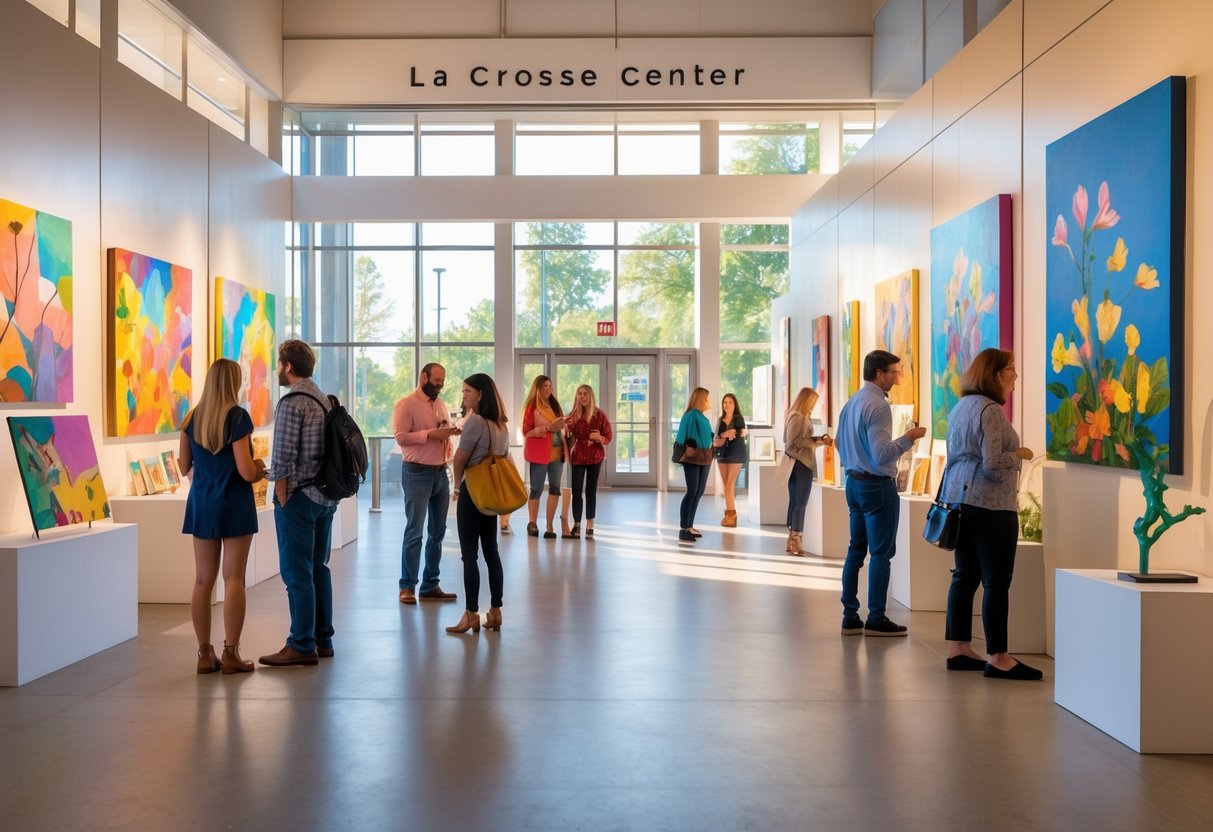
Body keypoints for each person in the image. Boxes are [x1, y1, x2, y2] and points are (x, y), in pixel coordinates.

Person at [942, 349, 1042, 680]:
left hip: (960, 500)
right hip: (991, 504)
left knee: (965, 575)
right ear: (996, 375)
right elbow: (993, 461)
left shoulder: (960, 408)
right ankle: (998, 656)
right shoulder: (990, 411)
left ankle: (958, 649)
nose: (1016, 377)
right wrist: (1020, 455)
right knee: (996, 581)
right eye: (1012, 370)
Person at [179, 358, 266, 674]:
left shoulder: (192, 418)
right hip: (233, 502)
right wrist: (259, 469)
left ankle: (204, 654)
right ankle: (231, 653)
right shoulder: (237, 417)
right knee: (234, 579)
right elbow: (245, 471)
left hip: (202, 503)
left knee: (203, 579)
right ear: (233, 383)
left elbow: (183, 465)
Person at [835, 350, 927, 636]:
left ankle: (850, 615)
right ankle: (876, 617)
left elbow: (839, 442)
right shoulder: (878, 406)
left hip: (853, 483)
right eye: (894, 372)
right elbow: (881, 455)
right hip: (876, 486)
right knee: (881, 554)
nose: (897, 379)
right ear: (878, 373)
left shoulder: (851, 403)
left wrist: (855, 459)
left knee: (855, 551)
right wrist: (908, 439)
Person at [260, 340, 339, 666]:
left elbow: (283, 459)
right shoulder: (322, 398)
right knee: (318, 568)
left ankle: (301, 643)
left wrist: (279, 495)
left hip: (299, 497)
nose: (278, 370)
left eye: (279, 364)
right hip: (325, 496)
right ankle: (323, 639)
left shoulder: (293, 402)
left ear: (288, 366)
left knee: (296, 573)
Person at [446, 373, 510, 634]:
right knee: (492, 552)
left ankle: (471, 613)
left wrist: (457, 485)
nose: (464, 396)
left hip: (473, 492)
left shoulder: (475, 423)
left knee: (469, 554)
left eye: (467, 391)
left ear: (481, 393)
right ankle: (495, 611)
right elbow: (503, 457)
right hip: (491, 494)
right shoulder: (501, 425)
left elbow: (460, 458)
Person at [392, 363, 460, 605]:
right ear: (424, 376)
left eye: (443, 380)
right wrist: (431, 434)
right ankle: (407, 586)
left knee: (438, 533)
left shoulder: (441, 404)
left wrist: (448, 433)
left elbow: (441, 434)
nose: (440, 384)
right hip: (416, 473)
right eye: (436, 380)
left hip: (440, 473)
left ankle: (431, 584)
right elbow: (400, 438)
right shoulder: (406, 404)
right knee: (414, 532)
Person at [783, 387, 832, 555]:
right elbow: (791, 442)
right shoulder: (797, 417)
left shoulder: (795, 415)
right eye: (813, 401)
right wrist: (815, 441)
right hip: (802, 464)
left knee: (795, 501)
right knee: (801, 502)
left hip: (797, 463)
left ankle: (791, 537)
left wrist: (817, 441)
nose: (815, 404)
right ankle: (797, 536)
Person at [521, 375, 568, 539]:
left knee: (555, 489)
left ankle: (549, 525)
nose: (549, 388)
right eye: (546, 386)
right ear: (538, 388)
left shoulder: (555, 405)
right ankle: (532, 523)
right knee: (536, 489)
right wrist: (548, 427)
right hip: (539, 453)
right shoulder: (531, 407)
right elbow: (526, 431)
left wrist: (564, 426)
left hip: (557, 452)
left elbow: (561, 427)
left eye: (550, 385)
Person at [565, 384, 612, 539]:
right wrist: (565, 427)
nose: (582, 396)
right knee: (576, 491)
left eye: (585, 393)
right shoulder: (573, 416)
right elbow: (567, 435)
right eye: (579, 393)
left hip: (595, 456)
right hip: (578, 456)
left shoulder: (599, 415)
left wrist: (600, 438)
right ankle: (577, 523)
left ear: (590, 396)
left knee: (591, 491)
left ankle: (590, 524)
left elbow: (608, 436)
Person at [675, 387, 714, 544]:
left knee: (699, 491)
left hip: (704, 457)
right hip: (693, 457)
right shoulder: (691, 415)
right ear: (701, 399)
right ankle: (683, 529)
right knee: (692, 491)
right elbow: (681, 436)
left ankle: (690, 526)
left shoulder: (702, 416)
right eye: (707, 398)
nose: (709, 401)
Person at [714, 393, 748, 528]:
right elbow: (716, 436)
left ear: (735, 405)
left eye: (730, 402)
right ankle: (729, 515)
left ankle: (731, 515)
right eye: (724, 402)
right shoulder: (720, 420)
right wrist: (726, 434)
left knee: (729, 484)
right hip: (722, 454)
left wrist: (729, 433)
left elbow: (740, 433)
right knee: (725, 485)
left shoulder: (738, 418)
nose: (727, 405)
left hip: (736, 453)